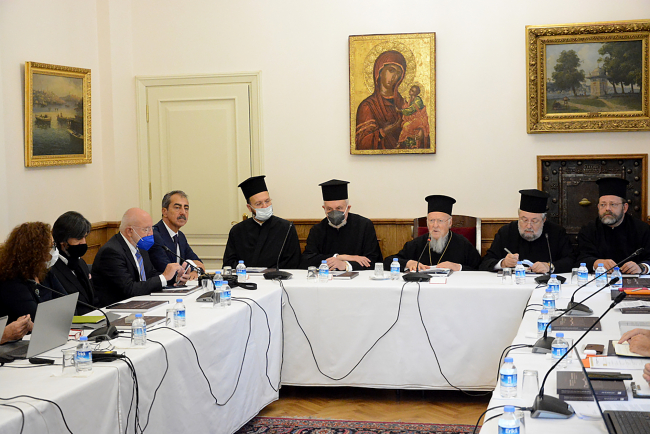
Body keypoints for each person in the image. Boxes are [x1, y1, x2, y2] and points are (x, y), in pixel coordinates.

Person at [92, 208, 188, 307]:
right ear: (129, 231)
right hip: (117, 310)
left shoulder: (139, 245)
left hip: (140, 304)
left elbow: (150, 274)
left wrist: (174, 278)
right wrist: (163, 277)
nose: (151, 234)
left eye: (151, 228)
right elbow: (130, 289)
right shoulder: (111, 252)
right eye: (146, 229)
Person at [480, 189, 574, 273]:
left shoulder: (556, 233)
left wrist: (549, 266)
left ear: (543, 220)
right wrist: (503, 263)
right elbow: (485, 262)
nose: (528, 226)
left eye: (534, 221)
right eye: (524, 220)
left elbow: (571, 260)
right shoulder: (506, 232)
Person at [301, 179, 382, 271]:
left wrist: (345, 265)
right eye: (329, 209)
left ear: (348, 208)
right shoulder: (317, 230)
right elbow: (306, 261)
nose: (334, 213)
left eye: (339, 208)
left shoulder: (364, 226)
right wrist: (340, 257)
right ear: (324, 209)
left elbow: (373, 261)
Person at [385, 195, 480, 272]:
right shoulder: (417, 243)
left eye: (440, 221)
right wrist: (408, 263)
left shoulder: (462, 244)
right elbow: (388, 261)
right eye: (431, 220)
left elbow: (480, 268)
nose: (435, 225)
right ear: (427, 222)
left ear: (450, 223)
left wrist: (458, 267)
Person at [223, 176, 301, 270]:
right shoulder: (237, 230)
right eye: (258, 204)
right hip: (245, 279)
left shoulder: (287, 228)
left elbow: (293, 261)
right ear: (249, 207)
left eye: (267, 201)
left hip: (276, 280)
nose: (265, 206)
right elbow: (229, 262)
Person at [577, 177, 650, 273]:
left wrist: (642, 267)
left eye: (613, 204)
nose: (607, 209)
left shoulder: (642, 229)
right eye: (603, 205)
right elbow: (580, 259)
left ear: (625, 208)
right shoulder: (588, 230)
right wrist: (596, 263)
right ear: (598, 207)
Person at [0, 222, 62, 323]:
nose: (54, 251)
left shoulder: (45, 273)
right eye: (50, 247)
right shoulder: (11, 283)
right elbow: (36, 318)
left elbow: (69, 306)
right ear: (36, 253)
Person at [46, 211, 97, 315]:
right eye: (79, 238)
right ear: (62, 240)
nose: (83, 242)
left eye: (85, 237)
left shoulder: (80, 262)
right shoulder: (52, 269)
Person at [356, 51, 408, 150]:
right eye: (391, 70)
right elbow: (361, 145)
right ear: (379, 71)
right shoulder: (367, 106)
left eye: (398, 73)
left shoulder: (404, 104)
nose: (394, 77)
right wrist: (382, 132)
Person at [149, 191, 204, 278]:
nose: (183, 212)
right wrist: (190, 270)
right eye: (177, 208)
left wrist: (195, 272)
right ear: (164, 211)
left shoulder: (180, 236)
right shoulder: (154, 235)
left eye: (186, 208)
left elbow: (198, 262)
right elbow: (167, 269)